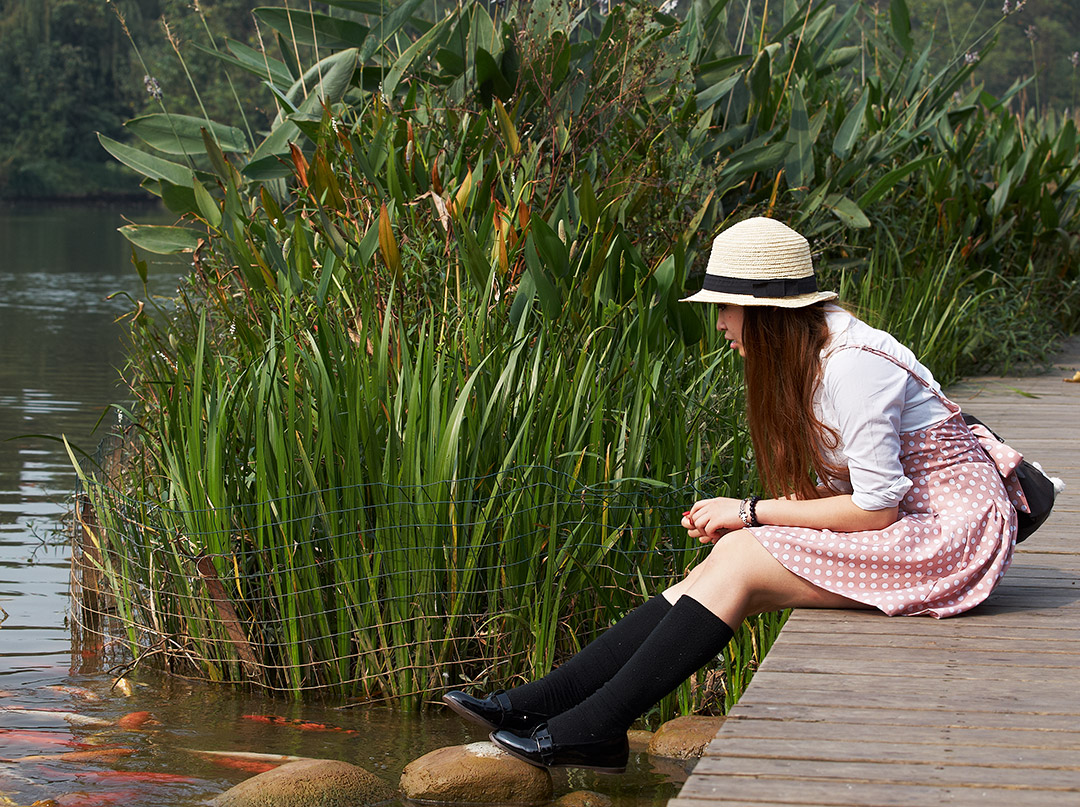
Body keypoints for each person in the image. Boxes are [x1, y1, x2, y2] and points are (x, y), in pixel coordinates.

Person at [442, 216, 1023, 774]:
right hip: (917, 521)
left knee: (742, 554)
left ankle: (594, 724)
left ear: (764, 314)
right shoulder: (818, 351)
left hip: (951, 536)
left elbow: (877, 509)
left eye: (725, 307)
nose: (719, 324)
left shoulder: (851, 367)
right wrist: (755, 521)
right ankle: (548, 703)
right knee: (727, 560)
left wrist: (747, 513)